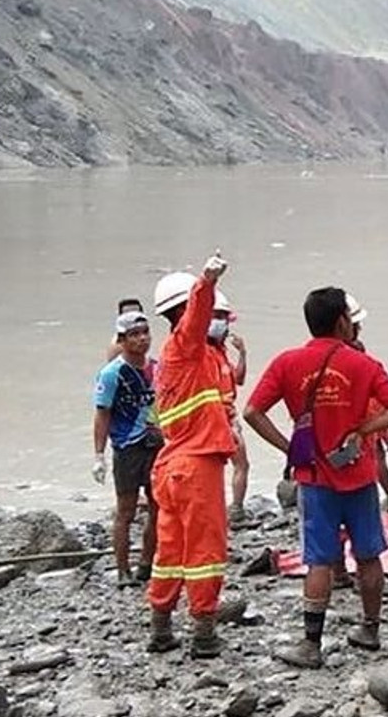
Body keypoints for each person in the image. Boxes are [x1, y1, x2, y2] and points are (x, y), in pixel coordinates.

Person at [244, 286, 388, 666]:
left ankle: (311, 645)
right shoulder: (363, 364)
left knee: (319, 560)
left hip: (314, 478)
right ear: (341, 322)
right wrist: (366, 429)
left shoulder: (287, 363)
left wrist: (289, 448)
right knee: (369, 555)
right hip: (359, 474)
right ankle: (370, 628)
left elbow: (252, 411)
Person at [145, 252, 236, 658]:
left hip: (171, 465)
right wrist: (207, 282)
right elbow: (196, 319)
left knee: (171, 550)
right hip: (196, 466)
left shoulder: (184, 360)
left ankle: (161, 626)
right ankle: (203, 633)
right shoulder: (185, 347)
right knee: (204, 551)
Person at [92, 311, 162, 586]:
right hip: (127, 447)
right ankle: (123, 570)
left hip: (156, 444)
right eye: (134, 334)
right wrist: (99, 454)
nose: (142, 339)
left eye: (145, 332)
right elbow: (102, 413)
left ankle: (146, 563)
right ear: (122, 340)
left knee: (159, 507)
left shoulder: (158, 368)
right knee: (126, 511)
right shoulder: (112, 374)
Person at [346, 294, 388, 513]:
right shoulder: (368, 369)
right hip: (362, 432)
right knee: (372, 463)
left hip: (332, 448)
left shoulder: (301, 363)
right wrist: (377, 431)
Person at [208, 293, 251, 526]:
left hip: (228, 416)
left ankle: (235, 508)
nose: (225, 325)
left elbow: (239, 378)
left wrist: (242, 353)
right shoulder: (204, 354)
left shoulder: (221, 352)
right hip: (219, 419)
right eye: (221, 318)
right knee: (230, 466)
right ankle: (231, 508)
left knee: (239, 464)